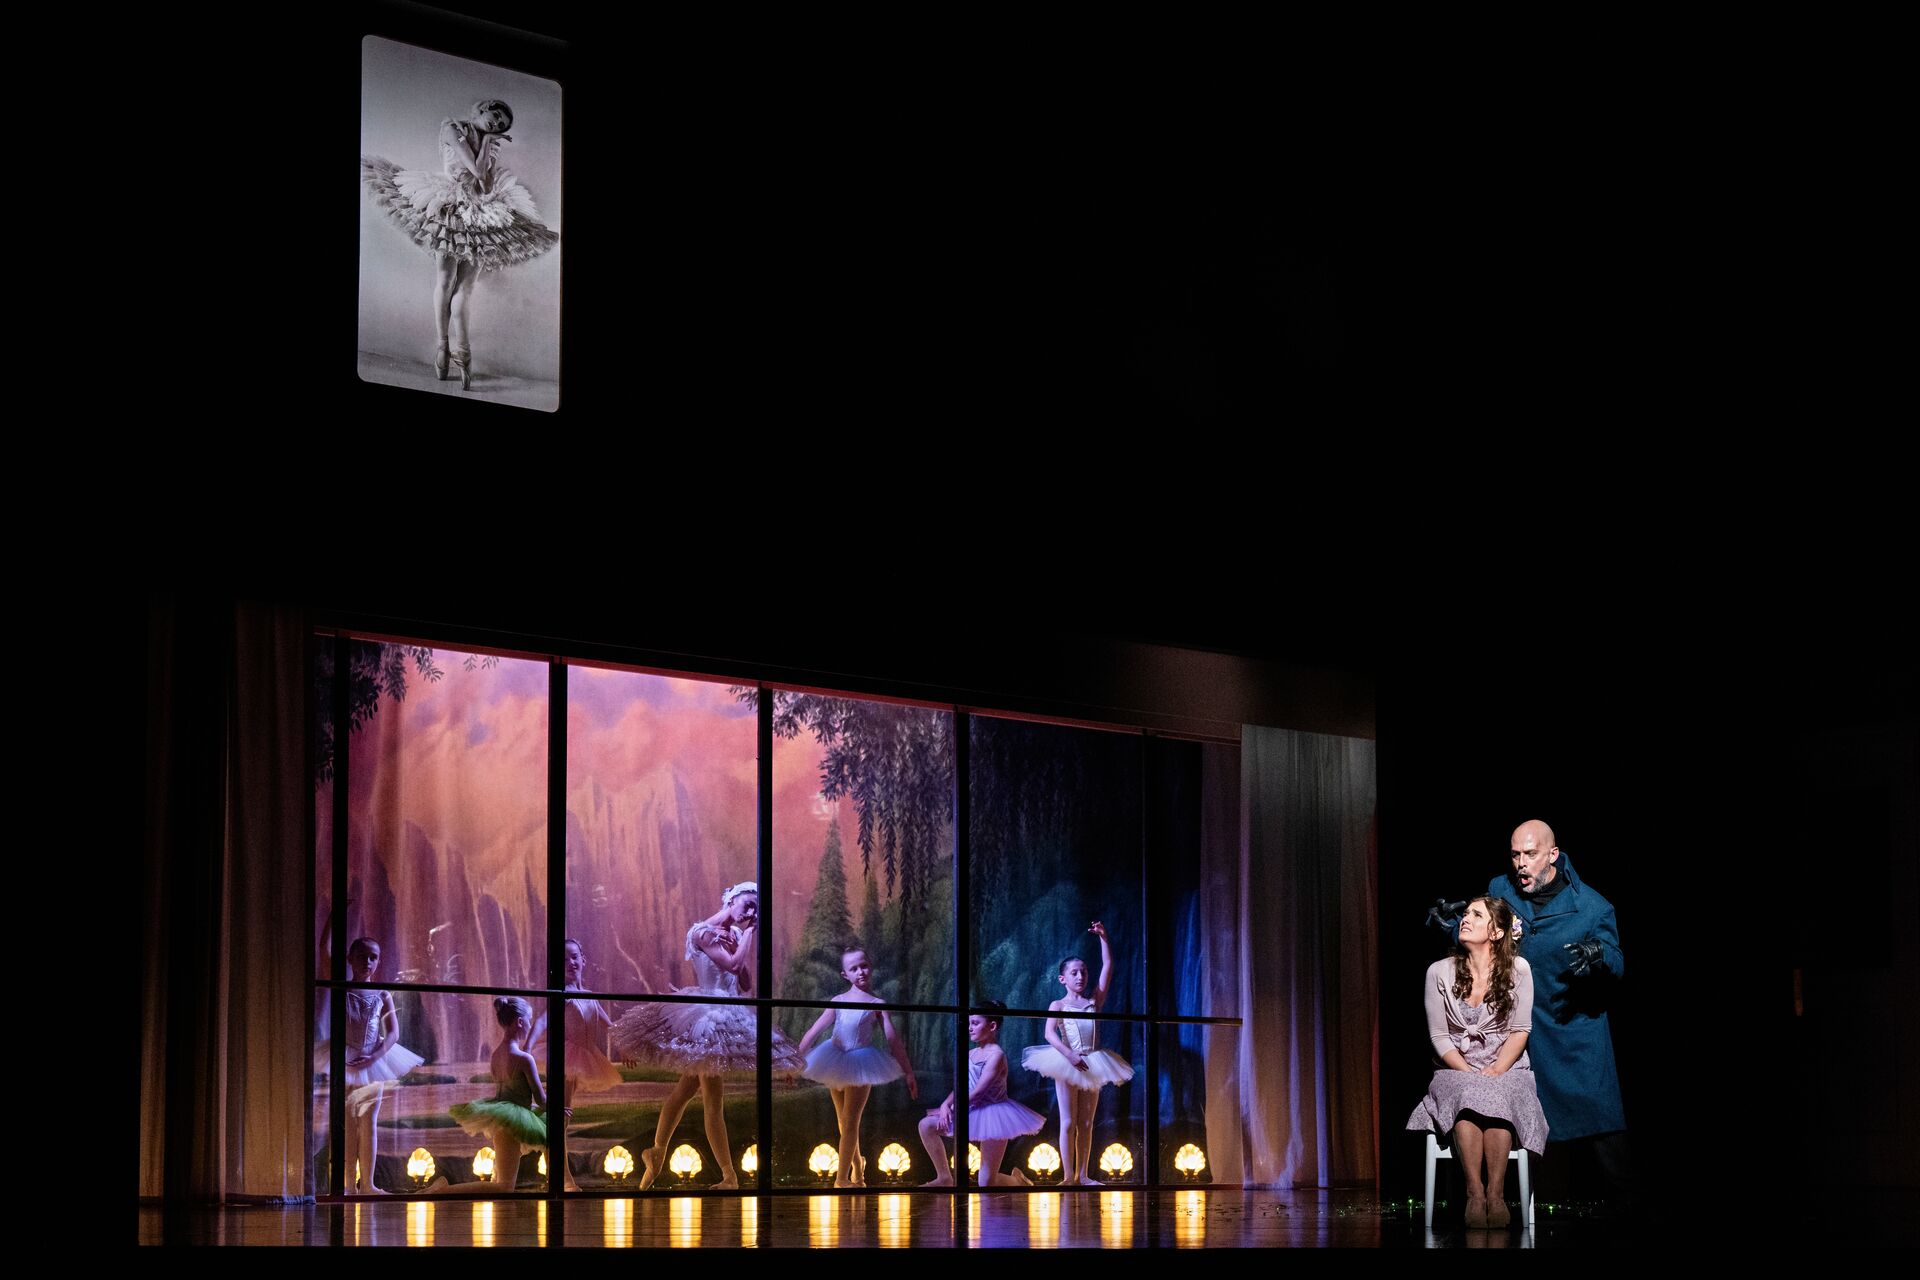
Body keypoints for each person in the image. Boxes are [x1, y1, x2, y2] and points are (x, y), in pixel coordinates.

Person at [610, 882, 804, 1189]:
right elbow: (732, 965)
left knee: (684, 1091)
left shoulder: (736, 933)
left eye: (755, 909)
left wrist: (741, 941)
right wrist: (750, 935)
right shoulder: (702, 932)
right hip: (707, 1018)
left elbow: (744, 983)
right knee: (713, 1100)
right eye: (747, 904)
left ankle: (657, 1152)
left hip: (730, 1011)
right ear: (732, 900)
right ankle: (728, 1175)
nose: (751, 912)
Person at [361, 99, 558, 390]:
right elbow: (475, 172)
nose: (496, 124)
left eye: (501, 125)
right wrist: (487, 143)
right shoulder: (453, 128)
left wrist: (488, 146)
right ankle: (443, 348)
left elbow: (486, 186)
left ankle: (463, 355)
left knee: (465, 288)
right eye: (496, 117)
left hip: (480, 211)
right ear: (485, 107)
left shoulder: (490, 144)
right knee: (446, 279)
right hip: (448, 204)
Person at [1487, 820, 1632, 1204]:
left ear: (1553, 855)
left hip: (1574, 1032)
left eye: (1530, 854)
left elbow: (1616, 961)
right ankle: (1531, 1213)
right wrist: (1454, 927)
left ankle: (1630, 1211)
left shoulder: (1591, 906)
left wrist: (1598, 954)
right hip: (1522, 1032)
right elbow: (1480, 932)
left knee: (1602, 1128)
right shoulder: (1501, 891)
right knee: (1533, 1130)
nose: (1521, 863)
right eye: (1515, 855)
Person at [1406, 897, 1549, 1228]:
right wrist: (1467, 1071)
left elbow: (1520, 1030)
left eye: (1476, 914)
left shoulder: (1518, 970)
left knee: (1500, 1093)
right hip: (1455, 1065)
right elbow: (1439, 1036)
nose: (1465, 919)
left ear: (1496, 932)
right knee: (1466, 1092)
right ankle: (1475, 1192)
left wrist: (1497, 1069)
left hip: (1508, 1064)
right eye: (1466, 913)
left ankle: (1496, 1194)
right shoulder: (1438, 972)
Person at [796, 946, 918, 1187]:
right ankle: (858, 1169)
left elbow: (893, 1040)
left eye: (864, 966)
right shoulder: (838, 1001)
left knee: (851, 1120)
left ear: (870, 966)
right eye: (854, 968)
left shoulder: (877, 1003)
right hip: (834, 1059)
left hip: (861, 1062)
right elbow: (813, 1031)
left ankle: (842, 1179)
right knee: (843, 1122)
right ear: (845, 974)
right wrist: (795, 1061)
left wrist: (909, 1072)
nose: (861, 972)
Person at [1022, 921, 1133, 1186]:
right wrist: (1069, 1055)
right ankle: (1068, 1176)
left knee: (1087, 1123)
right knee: (1068, 1121)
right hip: (1067, 1060)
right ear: (1063, 979)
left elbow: (1108, 966)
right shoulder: (1058, 1004)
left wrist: (1104, 937)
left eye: (1083, 972)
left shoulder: (1094, 1001)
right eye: (1074, 973)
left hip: (1093, 1059)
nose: (1080, 976)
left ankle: (1083, 1175)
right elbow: (1049, 1033)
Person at [429, 996, 548, 1192]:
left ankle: (443, 1190)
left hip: (500, 1119)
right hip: (513, 1123)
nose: (530, 1025)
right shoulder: (524, 1059)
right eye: (529, 1020)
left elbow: (509, 1096)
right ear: (520, 1022)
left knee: (500, 1182)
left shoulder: (496, 1055)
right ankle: (442, 1190)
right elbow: (541, 1099)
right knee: (504, 1187)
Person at [918, 1002, 1044, 1187]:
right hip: (969, 1108)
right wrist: (945, 1104)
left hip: (994, 1114)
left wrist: (953, 1108)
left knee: (986, 1182)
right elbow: (961, 1085)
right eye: (970, 1023)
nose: (970, 1028)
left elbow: (978, 1093)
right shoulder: (971, 1053)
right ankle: (944, 1177)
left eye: (976, 1023)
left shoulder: (996, 1055)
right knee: (926, 1125)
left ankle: (1017, 1181)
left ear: (992, 1026)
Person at [340, 936, 424, 1194]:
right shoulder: (342, 989)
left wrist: (374, 1057)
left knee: (369, 1122)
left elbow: (393, 1033)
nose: (368, 962)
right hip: (346, 1058)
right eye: (362, 956)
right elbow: (324, 952)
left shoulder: (382, 994)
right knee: (348, 1122)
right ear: (350, 959)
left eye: (373, 957)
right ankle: (347, 1185)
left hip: (372, 1059)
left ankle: (368, 1184)